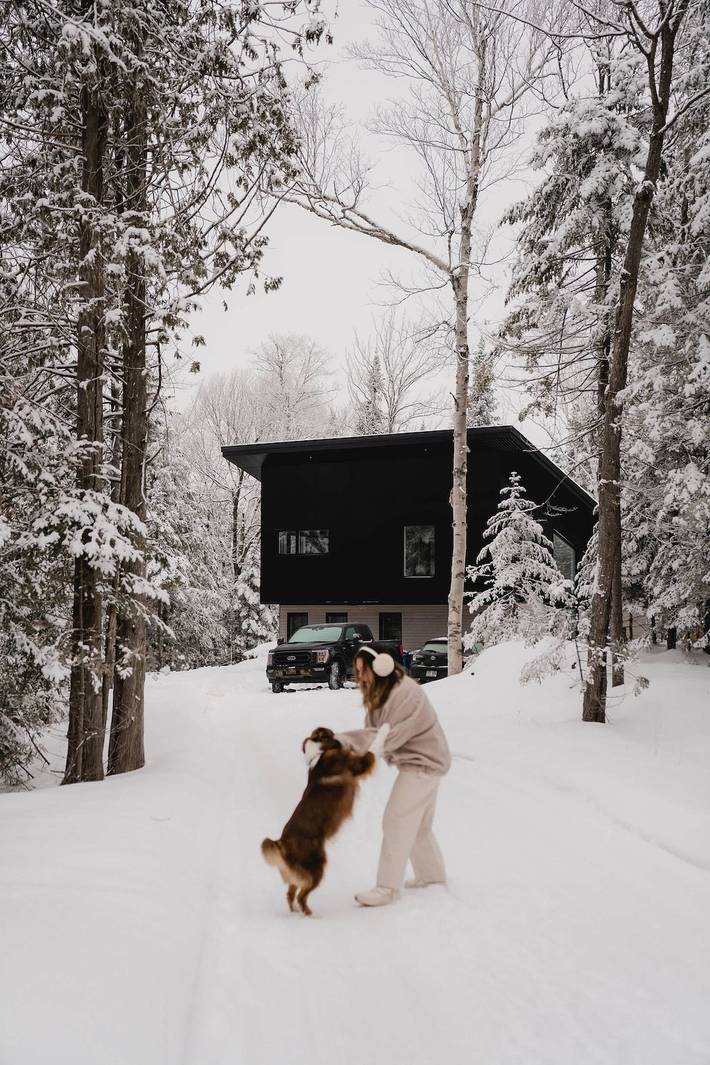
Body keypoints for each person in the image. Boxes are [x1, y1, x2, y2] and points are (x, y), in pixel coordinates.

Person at [335, 644, 451, 908]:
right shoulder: (384, 694)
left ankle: (387, 887)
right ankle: (432, 877)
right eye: (357, 671)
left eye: (363, 670)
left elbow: (386, 737)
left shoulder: (404, 693)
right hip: (423, 762)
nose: (359, 676)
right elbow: (370, 732)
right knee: (419, 826)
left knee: (396, 820)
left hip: (422, 764)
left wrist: (343, 742)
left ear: (381, 666)